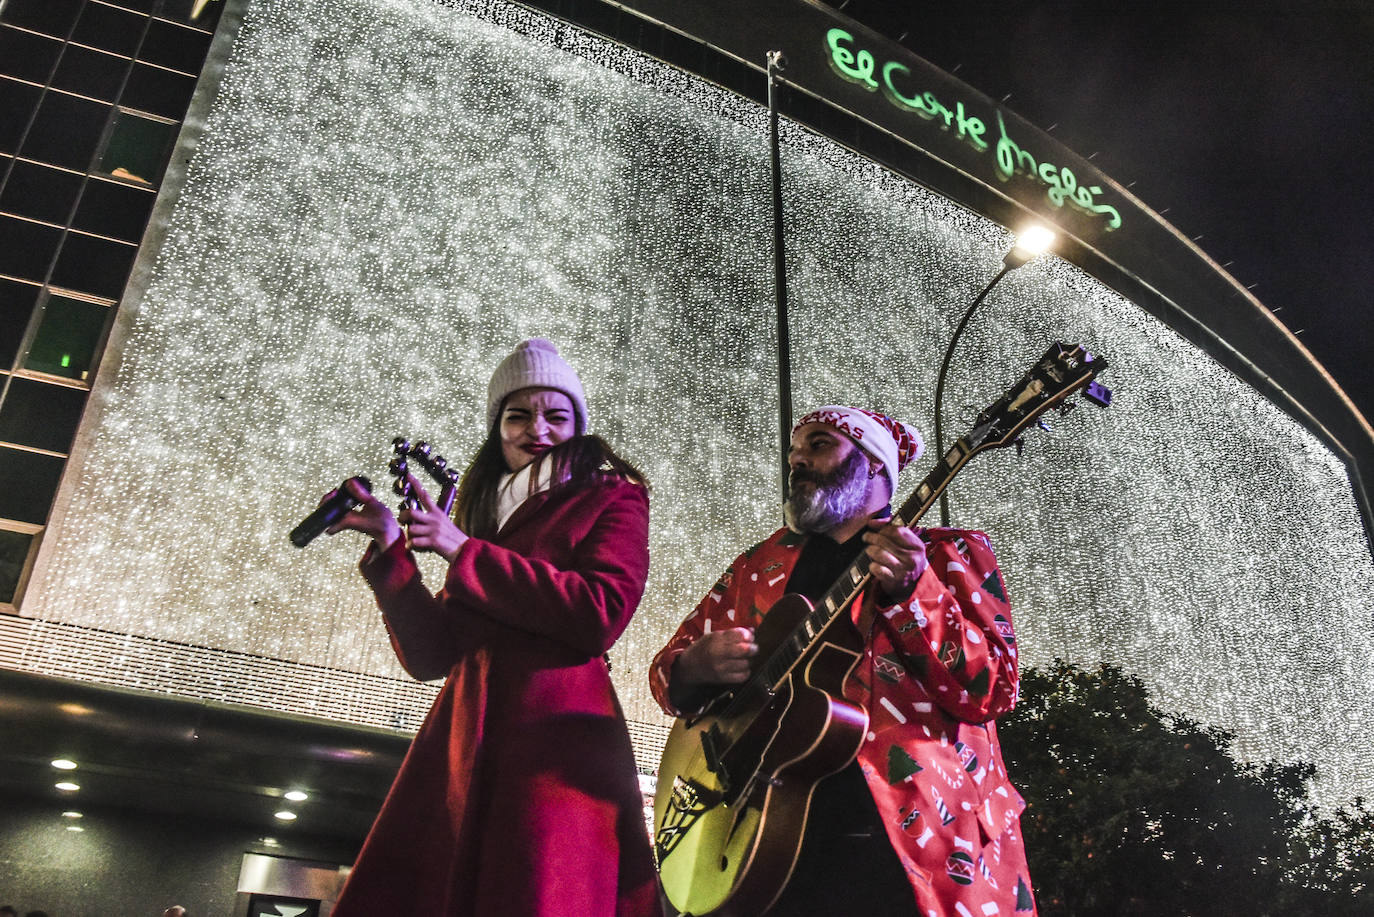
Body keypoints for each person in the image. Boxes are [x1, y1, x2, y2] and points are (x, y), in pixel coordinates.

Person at [650, 406, 1036, 916]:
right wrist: (692, 669)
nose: (797, 460)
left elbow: (996, 689)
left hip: (912, 842)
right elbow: (666, 672)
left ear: (873, 462)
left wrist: (914, 592)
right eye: (793, 451)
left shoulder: (947, 554)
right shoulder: (757, 567)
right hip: (762, 834)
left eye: (818, 445)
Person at [327, 339, 661, 916]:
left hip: (553, 744)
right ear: (497, 428)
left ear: (578, 426)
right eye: (518, 415)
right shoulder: (484, 516)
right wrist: (390, 548)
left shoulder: (613, 497)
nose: (538, 429)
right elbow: (431, 655)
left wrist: (463, 551)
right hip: (465, 740)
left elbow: (600, 612)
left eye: (557, 416)